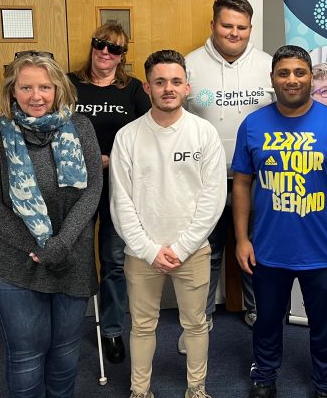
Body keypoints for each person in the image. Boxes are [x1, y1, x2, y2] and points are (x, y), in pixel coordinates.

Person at [0, 51, 102, 397]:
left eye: (45, 87)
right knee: (27, 356)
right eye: (26, 87)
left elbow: (93, 190)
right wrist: (37, 246)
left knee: (66, 353)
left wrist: (61, 244)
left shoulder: (81, 127)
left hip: (71, 257)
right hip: (14, 263)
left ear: (58, 89)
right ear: (13, 91)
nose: (36, 96)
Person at [232, 45, 327, 398]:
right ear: (272, 78)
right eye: (283, 73)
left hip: (323, 250)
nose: (292, 79)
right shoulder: (253, 124)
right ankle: (264, 375)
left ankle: (324, 382)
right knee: (267, 322)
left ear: (309, 77)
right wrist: (242, 239)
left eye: (299, 72)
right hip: (267, 248)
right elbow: (242, 183)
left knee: (323, 327)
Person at [109, 50, 226, 398]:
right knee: (143, 326)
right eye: (160, 82)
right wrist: (149, 249)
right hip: (141, 253)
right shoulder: (127, 137)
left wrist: (180, 247)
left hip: (192, 251)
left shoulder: (204, 134)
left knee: (195, 324)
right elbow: (121, 202)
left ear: (187, 87)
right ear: (147, 87)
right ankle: (140, 391)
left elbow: (212, 199)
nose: (168, 88)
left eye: (175, 81)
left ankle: (197, 389)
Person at [182, 0, 272, 352]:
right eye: (227, 26)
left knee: (255, 248)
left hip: (257, 180)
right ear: (213, 25)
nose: (234, 33)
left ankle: (257, 311)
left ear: (250, 28)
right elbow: (182, 115)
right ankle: (198, 321)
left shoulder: (268, 65)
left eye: (242, 27)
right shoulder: (189, 65)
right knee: (206, 250)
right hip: (204, 180)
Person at [69, 22, 151, 365]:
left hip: (119, 187)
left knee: (115, 261)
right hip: (76, 187)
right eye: (100, 44)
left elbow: (149, 137)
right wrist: (90, 160)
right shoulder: (71, 85)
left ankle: (113, 329)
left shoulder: (132, 90)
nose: (105, 52)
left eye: (114, 48)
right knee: (76, 259)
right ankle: (68, 328)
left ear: (122, 56)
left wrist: (111, 159)